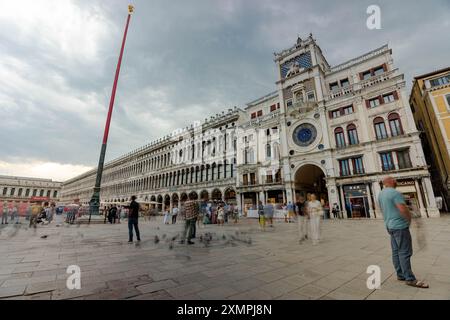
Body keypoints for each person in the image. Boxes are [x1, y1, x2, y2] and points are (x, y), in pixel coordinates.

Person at [378, 176, 429, 289]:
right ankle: (410, 279)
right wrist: (409, 220)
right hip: (400, 227)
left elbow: (382, 209)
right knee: (405, 252)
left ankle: (400, 274)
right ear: (389, 182)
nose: (396, 181)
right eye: (394, 179)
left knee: (396, 251)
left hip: (389, 226)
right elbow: (402, 208)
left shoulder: (381, 194)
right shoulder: (395, 193)